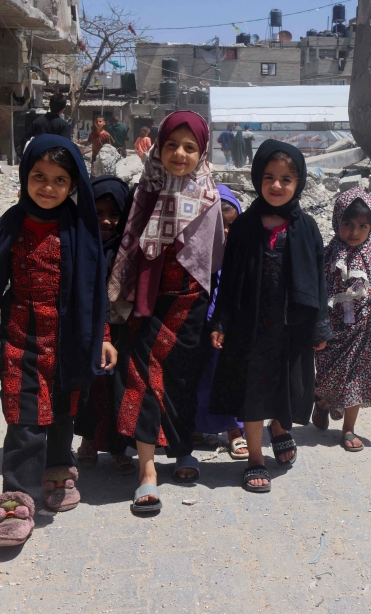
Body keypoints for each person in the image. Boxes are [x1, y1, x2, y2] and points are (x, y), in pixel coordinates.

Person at [0, 135, 117, 547]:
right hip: (21, 335)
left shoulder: (81, 229)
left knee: (63, 412)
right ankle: (17, 502)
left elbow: (94, 290)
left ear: (73, 185)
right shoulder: (11, 225)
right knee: (23, 418)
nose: (47, 187)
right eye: (39, 177)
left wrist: (102, 336)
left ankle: (58, 472)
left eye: (59, 180)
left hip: (70, 338)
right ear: (24, 176)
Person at [107, 110, 225, 515]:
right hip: (147, 301)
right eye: (171, 145)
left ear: (202, 152)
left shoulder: (211, 199)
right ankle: (146, 473)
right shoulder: (145, 191)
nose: (179, 153)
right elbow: (129, 247)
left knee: (180, 380)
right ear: (157, 147)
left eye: (190, 147)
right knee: (141, 378)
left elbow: (214, 259)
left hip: (189, 303)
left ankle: (182, 450)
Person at [209, 140, 331, 494]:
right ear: (257, 178)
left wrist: (320, 325)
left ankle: (281, 429)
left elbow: (319, 280)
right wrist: (221, 321)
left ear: (299, 183)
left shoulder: (306, 227)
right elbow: (230, 279)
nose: (276, 186)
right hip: (250, 327)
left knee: (285, 384)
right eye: (269, 177)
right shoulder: (246, 226)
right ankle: (255, 458)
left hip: (291, 327)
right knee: (251, 391)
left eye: (286, 179)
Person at [313, 188, 371, 451]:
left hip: (363, 333)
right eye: (348, 224)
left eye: (363, 225)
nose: (354, 231)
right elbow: (313, 287)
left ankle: (349, 429)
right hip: (331, 332)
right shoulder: (326, 256)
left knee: (356, 381)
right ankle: (322, 401)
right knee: (327, 377)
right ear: (336, 221)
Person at [74, 175, 137, 475]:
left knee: (118, 388)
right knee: (90, 385)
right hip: (87, 327)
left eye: (114, 214)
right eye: (98, 213)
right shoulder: (79, 244)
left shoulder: (127, 250)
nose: (107, 221)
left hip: (122, 328)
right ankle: (87, 440)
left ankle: (118, 447)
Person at [192, 185, 247, 458]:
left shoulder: (242, 256)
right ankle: (196, 426)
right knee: (200, 377)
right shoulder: (195, 254)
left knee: (228, 375)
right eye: (218, 225)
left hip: (229, 328)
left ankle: (234, 431)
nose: (225, 232)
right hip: (199, 325)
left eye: (231, 226)